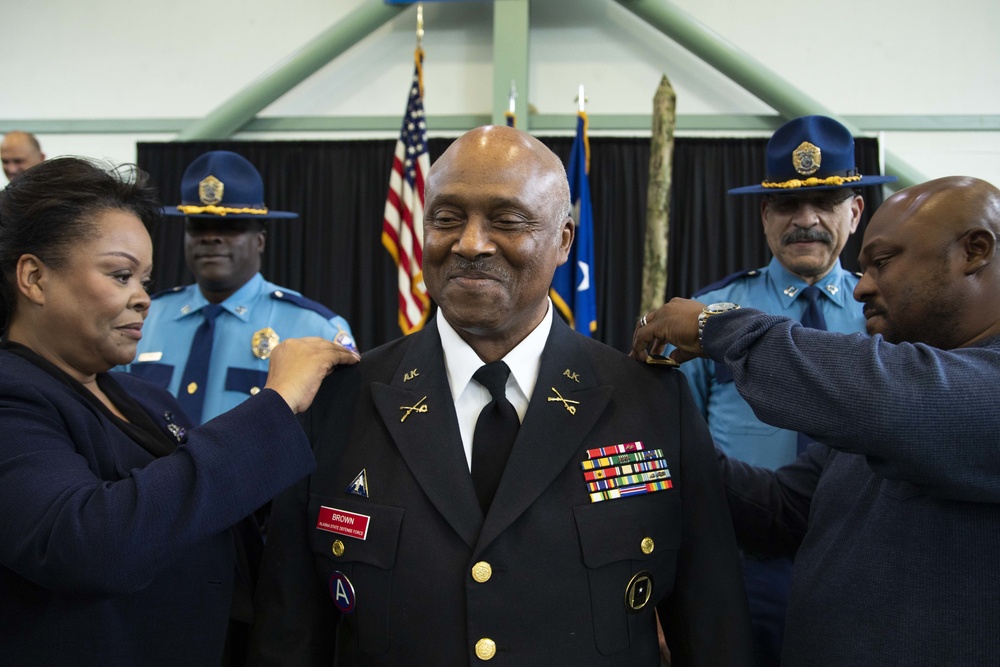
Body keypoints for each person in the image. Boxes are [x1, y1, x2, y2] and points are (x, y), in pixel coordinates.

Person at [249, 125, 754, 666]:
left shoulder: (652, 404)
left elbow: (714, 630)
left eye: (507, 220)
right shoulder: (335, 406)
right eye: (446, 218)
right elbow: (288, 637)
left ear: (563, 241)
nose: (469, 243)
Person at [0, 157, 359, 666]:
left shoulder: (143, 398)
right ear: (34, 278)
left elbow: (206, 505)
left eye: (144, 279)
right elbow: (92, 543)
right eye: (121, 275)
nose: (143, 298)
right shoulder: (12, 395)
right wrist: (274, 406)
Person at [631, 175, 1000, 665]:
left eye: (883, 263)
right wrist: (669, 449)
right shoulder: (888, 393)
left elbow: (890, 397)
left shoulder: (911, 390)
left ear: (974, 251)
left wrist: (715, 325)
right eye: (864, 267)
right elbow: (784, 510)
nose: (864, 286)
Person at [677, 114, 896, 665]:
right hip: (741, 565)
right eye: (787, 206)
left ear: (856, 210)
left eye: (825, 201)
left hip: (866, 560)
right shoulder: (711, 315)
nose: (807, 220)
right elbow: (677, 447)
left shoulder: (892, 321)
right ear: (764, 215)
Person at [125, 150, 356, 425]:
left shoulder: (316, 330)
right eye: (198, 226)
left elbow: (339, 433)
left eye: (229, 226)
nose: (211, 238)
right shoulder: (143, 319)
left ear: (259, 240)